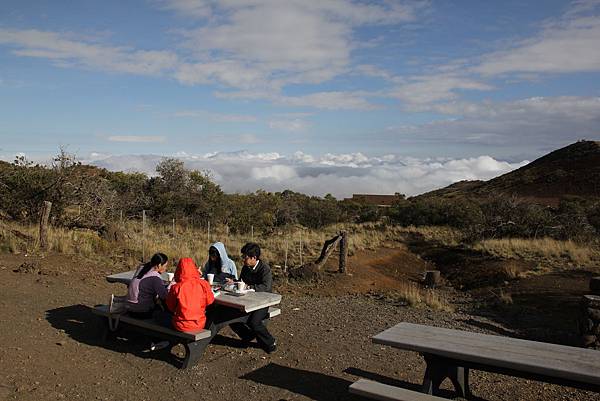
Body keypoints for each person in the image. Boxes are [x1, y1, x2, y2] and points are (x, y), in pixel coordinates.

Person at [229, 242, 276, 353]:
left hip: (262, 302)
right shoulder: (246, 268)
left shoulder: (265, 269)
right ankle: (247, 336)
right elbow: (242, 282)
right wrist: (234, 282)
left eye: (245, 257)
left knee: (254, 322)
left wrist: (249, 287)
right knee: (229, 315)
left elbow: (266, 286)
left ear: (253, 258)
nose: (243, 259)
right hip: (246, 300)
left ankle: (270, 342)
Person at [165, 257, 215, 332]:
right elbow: (210, 301)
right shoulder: (204, 284)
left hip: (180, 325)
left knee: (159, 315)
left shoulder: (176, 287)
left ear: (179, 270)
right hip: (199, 323)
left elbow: (170, 306)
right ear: (194, 268)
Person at [126, 252, 169, 319]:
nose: (166, 268)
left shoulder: (141, 268)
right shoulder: (155, 277)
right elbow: (164, 296)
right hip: (141, 312)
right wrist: (171, 284)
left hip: (129, 308)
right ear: (159, 265)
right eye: (165, 266)